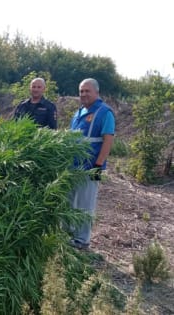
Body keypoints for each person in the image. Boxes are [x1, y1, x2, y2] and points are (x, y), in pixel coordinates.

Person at [68, 78, 115, 249]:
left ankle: (82, 240)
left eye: (87, 91)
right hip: (72, 166)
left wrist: (98, 165)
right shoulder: (79, 112)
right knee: (70, 201)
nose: (84, 94)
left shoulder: (104, 112)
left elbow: (108, 139)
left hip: (90, 167)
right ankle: (68, 234)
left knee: (85, 204)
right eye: (81, 91)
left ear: (96, 92)